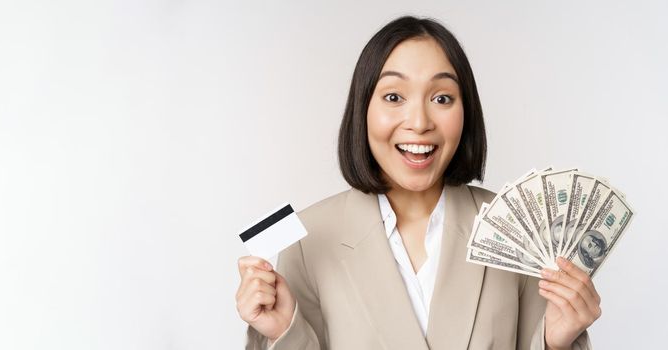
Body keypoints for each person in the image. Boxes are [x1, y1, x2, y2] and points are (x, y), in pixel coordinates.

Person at [235, 16, 600, 350]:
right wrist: (284, 334)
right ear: (363, 109)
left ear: (465, 111)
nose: (420, 121)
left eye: (442, 98)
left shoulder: (517, 228)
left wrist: (555, 342)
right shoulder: (309, 239)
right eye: (394, 97)